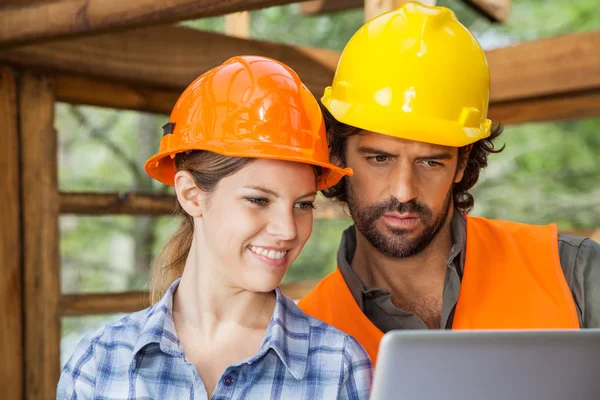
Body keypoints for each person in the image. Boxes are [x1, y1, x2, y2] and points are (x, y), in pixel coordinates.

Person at [298, 2, 600, 365]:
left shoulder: (572, 273)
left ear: (463, 163)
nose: (404, 191)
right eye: (379, 158)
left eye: (430, 161)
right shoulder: (305, 334)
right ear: (338, 155)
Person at [57, 55, 372, 399]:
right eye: (258, 200)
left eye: (302, 205)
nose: (288, 230)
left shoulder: (338, 367)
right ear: (191, 194)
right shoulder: (99, 364)